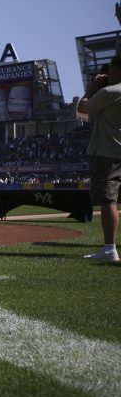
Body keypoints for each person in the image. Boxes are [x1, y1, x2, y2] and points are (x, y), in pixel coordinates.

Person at [77, 54, 121, 262]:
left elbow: (83, 109)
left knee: (108, 201)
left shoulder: (110, 91)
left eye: (110, 69)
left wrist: (91, 89)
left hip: (108, 153)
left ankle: (110, 249)